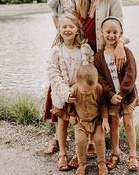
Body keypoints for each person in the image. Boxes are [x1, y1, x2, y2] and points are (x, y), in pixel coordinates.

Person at [71, 0, 127, 158]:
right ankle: (87, 142)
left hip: (104, 54)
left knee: (108, 95)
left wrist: (120, 43)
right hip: (83, 52)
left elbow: (119, 25)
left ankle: (114, 146)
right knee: (85, 96)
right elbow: (70, 20)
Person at [94, 16, 139, 171]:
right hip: (111, 98)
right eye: (108, 31)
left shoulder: (126, 52)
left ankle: (133, 155)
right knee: (114, 124)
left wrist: (121, 93)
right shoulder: (99, 57)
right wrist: (110, 95)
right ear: (102, 32)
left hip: (127, 97)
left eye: (115, 32)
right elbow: (100, 78)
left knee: (128, 123)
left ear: (121, 33)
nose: (111, 35)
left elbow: (131, 74)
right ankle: (115, 153)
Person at [48, 13, 94, 171]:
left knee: (79, 125)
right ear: (59, 29)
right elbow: (54, 74)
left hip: (80, 95)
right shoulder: (56, 51)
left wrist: (82, 90)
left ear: (77, 29)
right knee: (62, 123)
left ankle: (78, 154)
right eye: (64, 26)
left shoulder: (85, 49)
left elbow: (90, 70)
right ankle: (62, 154)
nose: (67, 29)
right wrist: (65, 93)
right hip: (62, 94)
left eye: (71, 26)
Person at [44, 0, 75, 155]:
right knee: (57, 89)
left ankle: (84, 137)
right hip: (61, 38)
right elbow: (53, 12)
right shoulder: (54, 0)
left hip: (73, 35)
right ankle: (58, 137)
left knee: (76, 86)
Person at [69, 64, 109, 175]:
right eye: (85, 91)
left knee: (99, 140)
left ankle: (101, 163)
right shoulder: (73, 90)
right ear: (77, 82)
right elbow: (69, 104)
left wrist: (105, 120)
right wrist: (72, 114)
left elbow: (103, 105)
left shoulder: (98, 89)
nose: (89, 92)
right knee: (80, 141)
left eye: (91, 90)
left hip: (97, 121)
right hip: (80, 121)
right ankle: (82, 164)